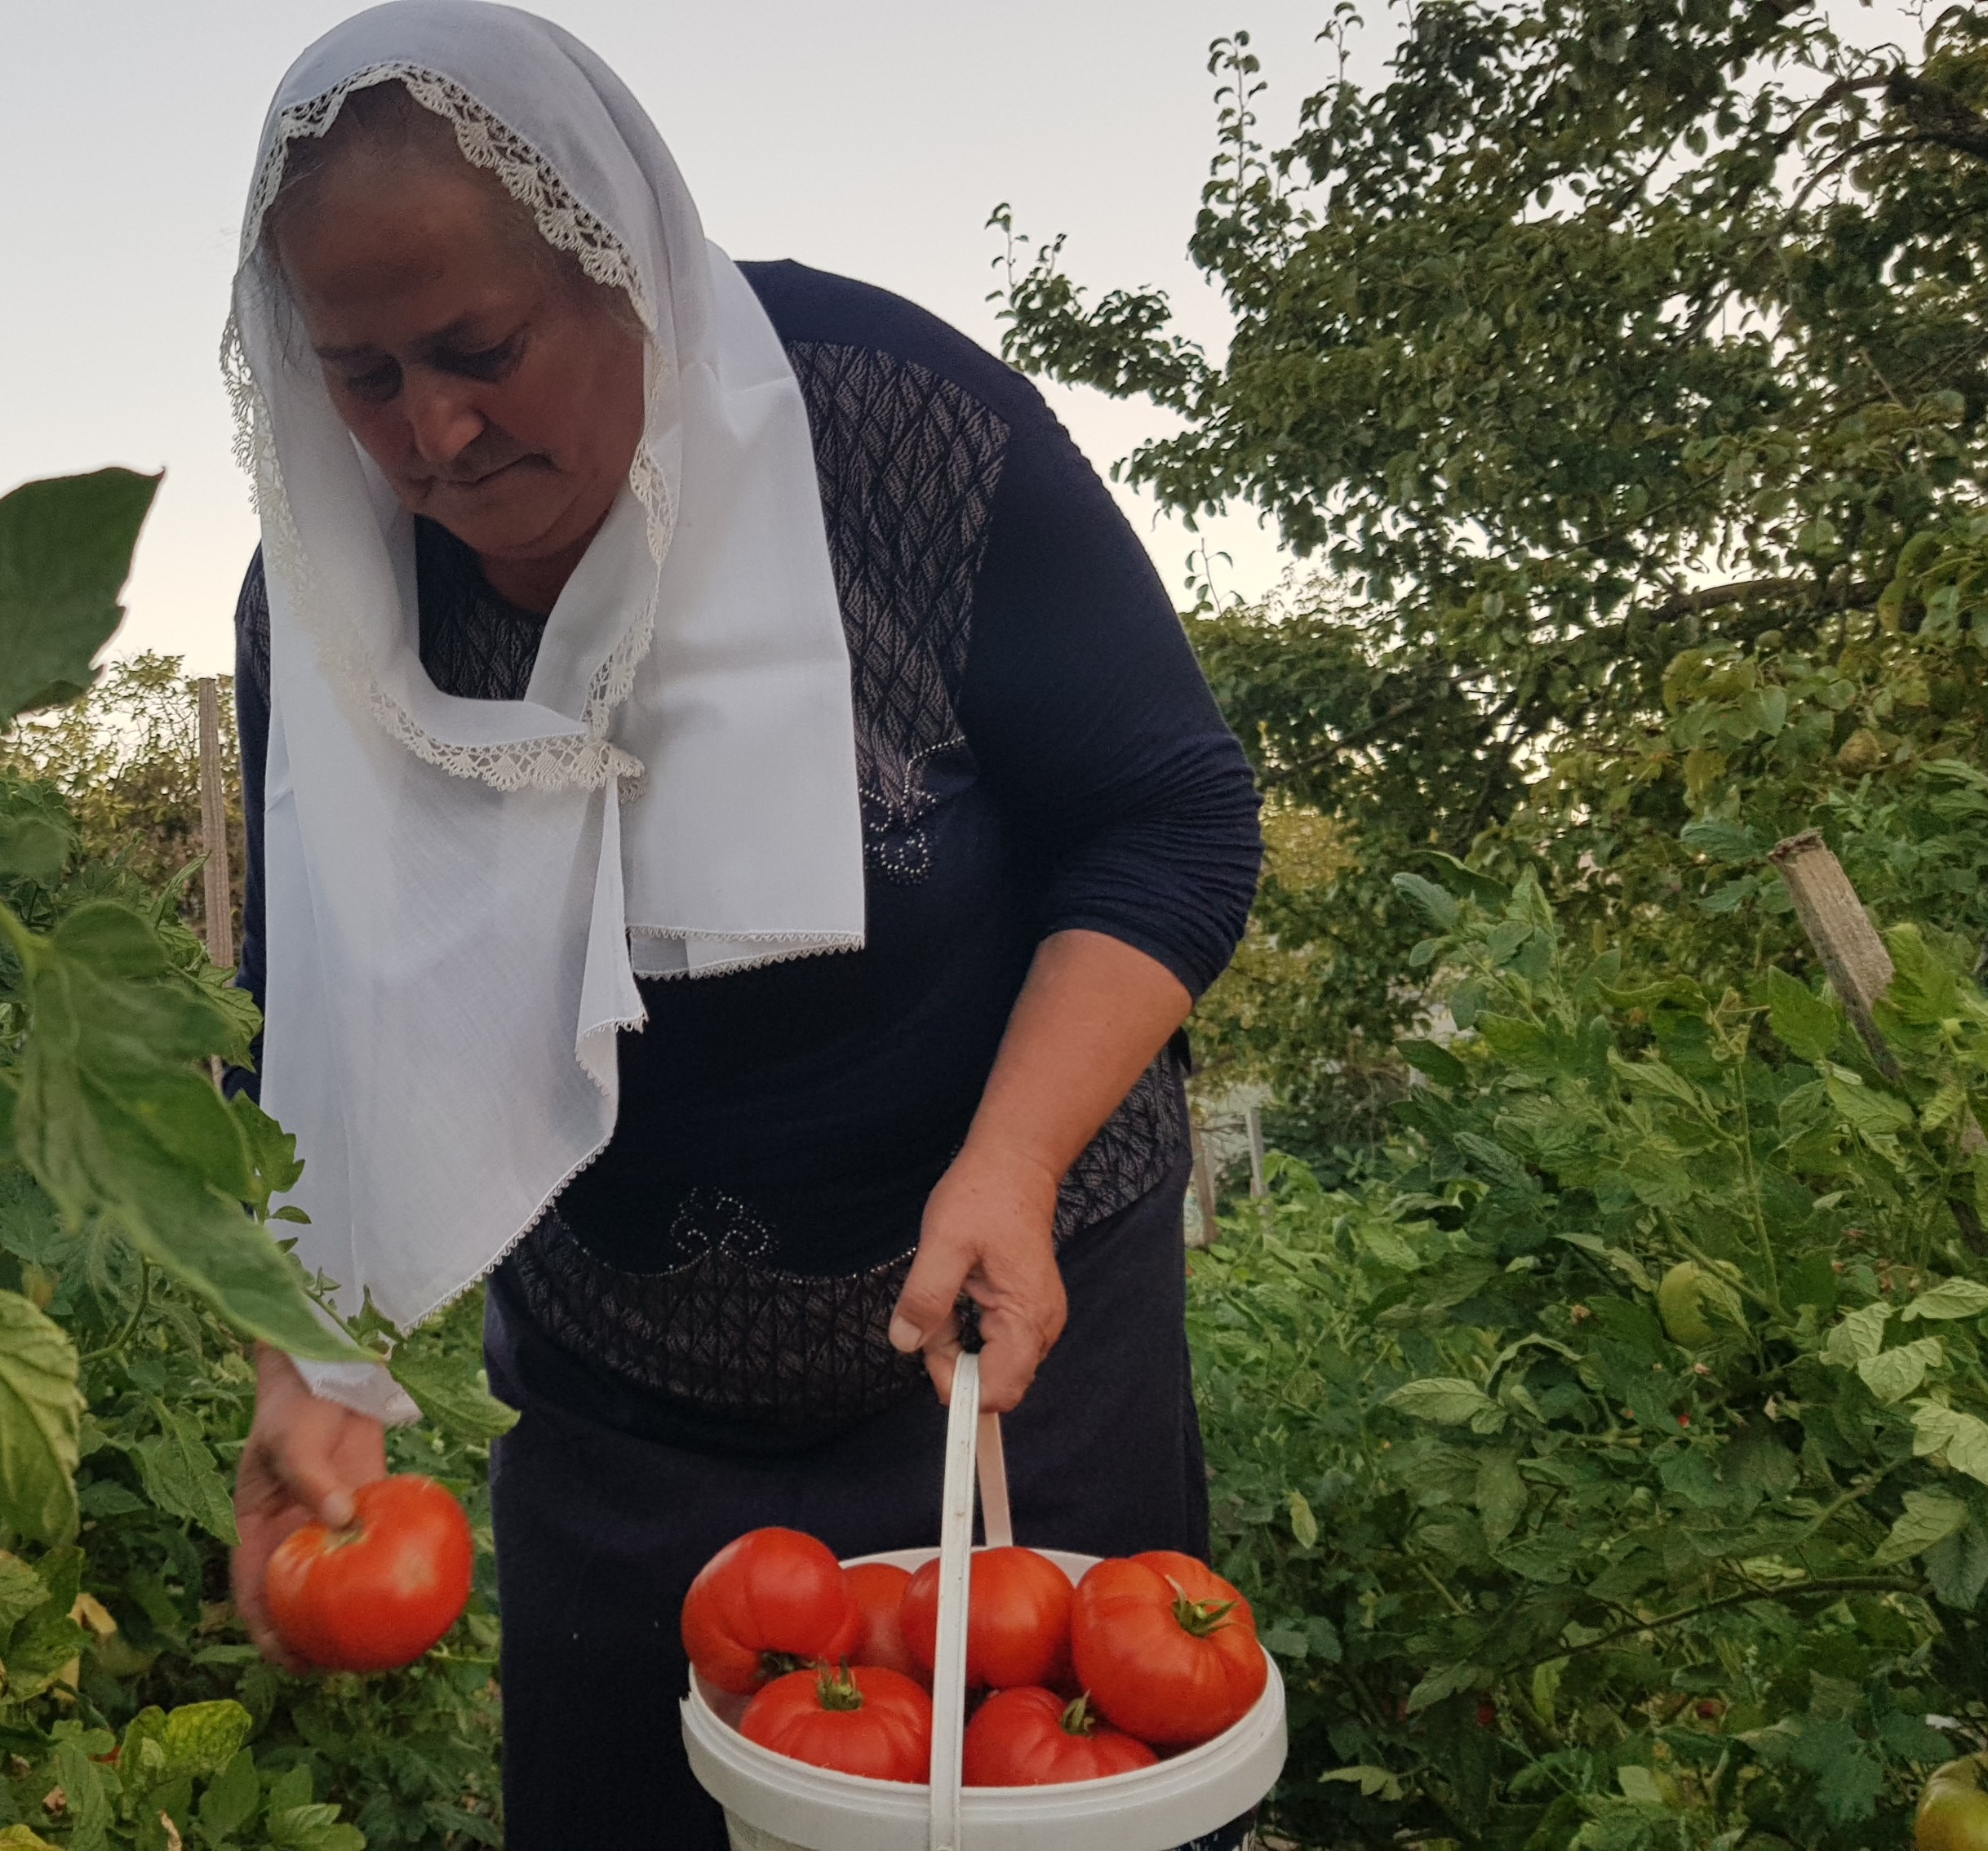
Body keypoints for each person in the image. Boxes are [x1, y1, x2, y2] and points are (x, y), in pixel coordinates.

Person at [215, 6, 1264, 1844]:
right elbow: (298, 1006)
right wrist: (291, 1350)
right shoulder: (323, 586)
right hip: (626, 1417)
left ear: (624, 268)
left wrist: (1013, 1165)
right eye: (361, 378)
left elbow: (1168, 818)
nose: (433, 436)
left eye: (480, 349)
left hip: (1004, 1364)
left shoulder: (905, 435)